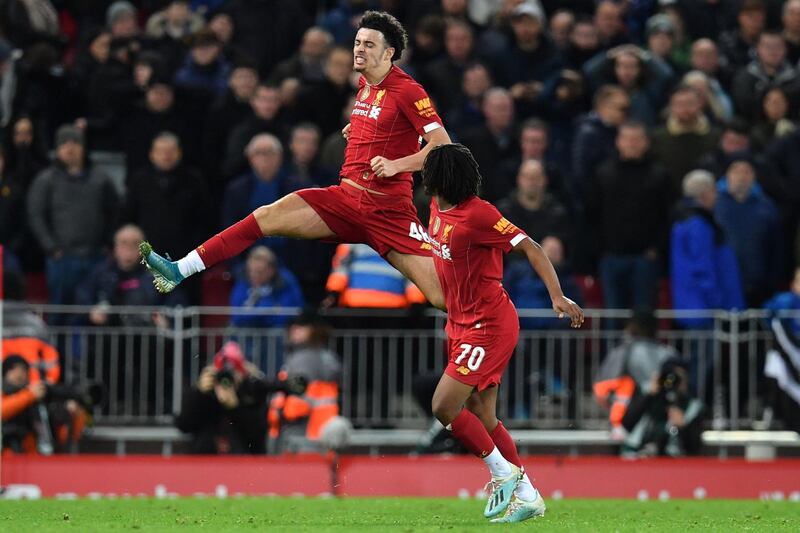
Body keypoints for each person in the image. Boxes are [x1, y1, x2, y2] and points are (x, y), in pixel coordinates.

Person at [141, 11, 451, 311]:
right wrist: (357, 128)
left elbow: (442, 147)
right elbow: (386, 127)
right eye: (357, 42)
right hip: (345, 200)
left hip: (388, 211)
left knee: (442, 297)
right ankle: (180, 269)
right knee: (264, 217)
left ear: (389, 53)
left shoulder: (408, 90)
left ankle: (493, 317)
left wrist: (397, 165)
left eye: (369, 44)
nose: (359, 49)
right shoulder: (365, 85)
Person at [422, 143, 583, 523]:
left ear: (437, 178)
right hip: (460, 322)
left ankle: (504, 474)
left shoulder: (480, 214)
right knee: (483, 415)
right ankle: (528, 496)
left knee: (443, 406)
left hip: (489, 325)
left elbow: (532, 247)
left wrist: (556, 296)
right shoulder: (435, 208)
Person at [174, 341, 287, 454]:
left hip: (243, 461)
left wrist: (234, 407)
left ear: (242, 373)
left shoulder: (252, 392)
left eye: (233, 372)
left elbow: (257, 436)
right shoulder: (206, 394)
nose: (226, 380)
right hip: (207, 459)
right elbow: (183, 425)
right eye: (223, 373)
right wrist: (199, 393)